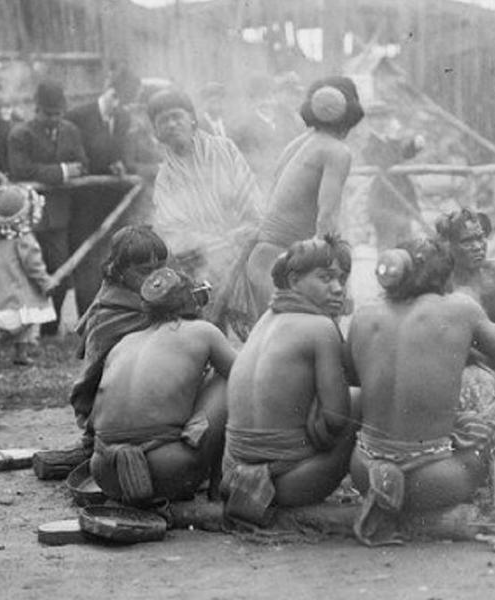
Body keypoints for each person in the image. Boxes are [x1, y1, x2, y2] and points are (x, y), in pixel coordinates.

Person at [347, 239, 495, 545]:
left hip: (366, 473)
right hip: (432, 481)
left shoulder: (365, 314)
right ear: (444, 274)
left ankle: (386, 504)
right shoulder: (461, 307)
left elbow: (353, 375)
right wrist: (467, 348)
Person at [222, 235, 357, 528]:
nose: (337, 288)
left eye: (341, 279)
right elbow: (336, 420)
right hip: (285, 484)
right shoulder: (320, 327)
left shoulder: (264, 321)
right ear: (294, 280)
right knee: (358, 400)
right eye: (325, 278)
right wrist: (318, 426)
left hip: (232, 477)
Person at [89, 267, 235, 505]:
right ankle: (219, 493)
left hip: (105, 472)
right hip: (166, 470)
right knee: (227, 380)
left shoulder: (124, 343)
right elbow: (245, 377)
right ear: (193, 300)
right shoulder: (203, 332)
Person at [34, 226, 171, 478]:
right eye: (144, 271)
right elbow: (96, 378)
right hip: (114, 409)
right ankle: (95, 445)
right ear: (119, 270)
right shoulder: (110, 313)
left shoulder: (160, 299)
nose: (155, 277)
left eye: (161, 268)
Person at [147, 88, 265, 337]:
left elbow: (249, 197)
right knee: (209, 329)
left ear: (191, 118)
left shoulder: (224, 149)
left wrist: (243, 233)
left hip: (244, 245)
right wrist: (215, 245)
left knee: (260, 328)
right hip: (201, 261)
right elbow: (172, 227)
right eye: (163, 120)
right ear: (156, 132)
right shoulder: (165, 177)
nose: (171, 124)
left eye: (176, 116)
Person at [246, 76, 365, 315]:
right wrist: (338, 283)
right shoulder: (337, 151)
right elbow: (326, 220)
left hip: (263, 260)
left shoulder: (298, 143)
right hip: (284, 266)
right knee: (310, 338)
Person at [8, 81, 89, 336]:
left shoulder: (71, 131)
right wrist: (64, 171)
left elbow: (84, 164)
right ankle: (25, 328)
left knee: (61, 272)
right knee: (28, 272)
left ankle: (50, 326)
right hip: (28, 216)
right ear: (37, 109)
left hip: (59, 216)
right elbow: (21, 169)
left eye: (58, 113)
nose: (53, 119)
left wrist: (63, 170)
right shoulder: (20, 134)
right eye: (48, 113)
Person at [65, 67, 143, 317]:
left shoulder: (124, 118)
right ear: (110, 92)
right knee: (85, 259)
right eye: (118, 100)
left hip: (112, 203)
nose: (120, 107)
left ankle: (108, 312)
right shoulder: (77, 116)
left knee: (111, 258)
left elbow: (123, 152)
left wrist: (120, 164)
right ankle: (86, 316)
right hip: (83, 203)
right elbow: (73, 155)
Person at [0, 186, 57, 365]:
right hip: (20, 291)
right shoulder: (24, 240)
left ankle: (20, 354)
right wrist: (46, 283)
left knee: (21, 321)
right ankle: (0, 339)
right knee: (25, 322)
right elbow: (33, 266)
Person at [437, 209, 495, 334]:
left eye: (480, 238)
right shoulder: (442, 282)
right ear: (449, 245)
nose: (477, 247)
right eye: (467, 241)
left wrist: (488, 337)